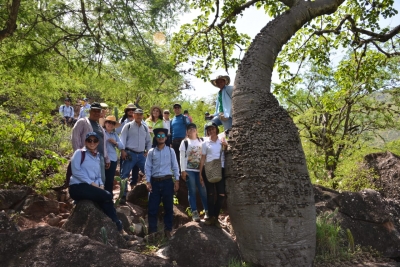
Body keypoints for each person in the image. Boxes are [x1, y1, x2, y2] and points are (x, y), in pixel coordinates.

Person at [69, 132, 124, 233]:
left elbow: (98, 175)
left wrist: (101, 185)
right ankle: (119, 227)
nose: (92, 143)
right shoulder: (79, 153)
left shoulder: (97, 156)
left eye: (95, 140)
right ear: (85, 142)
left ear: (98, 142)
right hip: (77, 186)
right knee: (107, 195)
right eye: (89, 140)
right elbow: (76, 171)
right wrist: (91, 183)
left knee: (106, 200)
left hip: (90, 187)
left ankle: (118, 227)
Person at [145, 128, 180, 238]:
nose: (161, 138)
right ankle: (153, 232)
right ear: (155, 138)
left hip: (167, 182)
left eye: (163, 136)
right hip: (154, 182)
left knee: (168, 207)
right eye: (158, 136)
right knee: (152, 208)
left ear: (166, 138)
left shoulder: (170, 151)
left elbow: (175, 166)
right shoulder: (151, 152)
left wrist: (177, 180)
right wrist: (147, 182)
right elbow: (148, 167)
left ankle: (168, 230)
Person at [71, 102, 110, 183]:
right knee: (87, 180)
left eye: (98, 111)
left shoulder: (100, 126)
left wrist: (106, 158)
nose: (96, 113)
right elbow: (75, 138)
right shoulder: (83, 122)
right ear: (89, 111)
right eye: (94, 111)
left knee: (100, 180)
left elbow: (103, 144)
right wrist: (79, 156)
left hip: (99, 157)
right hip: (86, 157)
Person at [119, 108, 152, 204]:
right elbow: (122, 139)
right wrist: (122, 151)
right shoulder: (128, 126)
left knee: (149, 172)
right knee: (124, 174)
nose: (139, 116)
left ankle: (152, 194)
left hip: (141, 155)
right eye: (137, 114)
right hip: (130, 153)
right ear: (133, 115)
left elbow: (149, 141)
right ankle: (123, 196)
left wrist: (147, 151)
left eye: (140, 115)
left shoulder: (145, 127)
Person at [199, 122, 227, 228]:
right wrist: (200, 173)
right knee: (210, 195)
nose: (211, 131)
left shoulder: (222, 141)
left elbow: (227, 151)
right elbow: (203, 159)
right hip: (208, 170)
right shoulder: (205, 143)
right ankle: (211, 217)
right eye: (209, 130)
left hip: (220, 169)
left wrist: (226, 145)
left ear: (216, 129)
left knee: (221, 195)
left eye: (213, 129)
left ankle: (215, 216)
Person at [179, 123, 208, 222]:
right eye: (189, 129)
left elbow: (214, 138)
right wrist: (183, 170)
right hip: (189, 170)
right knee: (192, 191)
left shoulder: (202, 140)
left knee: (203, 191)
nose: (192, 130)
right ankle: (195, 212)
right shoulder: (185, 142)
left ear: (196, 130)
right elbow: (182, 157)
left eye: (193, 128)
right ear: (187, 132)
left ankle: (207, 211)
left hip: (200, 170)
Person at [103, 116, 124, 196]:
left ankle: (109, 196)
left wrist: (115, 143)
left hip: (112, 159)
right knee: (102, 178)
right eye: (109, 122)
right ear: (105, 123)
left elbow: (121, 146)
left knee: (110, 179)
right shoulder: (101, 132)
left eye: (112, 123)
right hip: (102, 158)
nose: (110, 125)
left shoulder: (114, 134)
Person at [170, 103, 190, 169]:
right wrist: (171, 143)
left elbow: (189, 127)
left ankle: (185, 174)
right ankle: (178, 176)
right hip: (174, 142)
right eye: (175, 108)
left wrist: (187, 137)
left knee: (184, 158)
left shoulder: (184, 117)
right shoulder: (172, 120)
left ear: (180, 109)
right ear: (174, 110)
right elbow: (171, 131)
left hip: (183, 140)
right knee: (176, 159)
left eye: (178, 108)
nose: (177, 109)